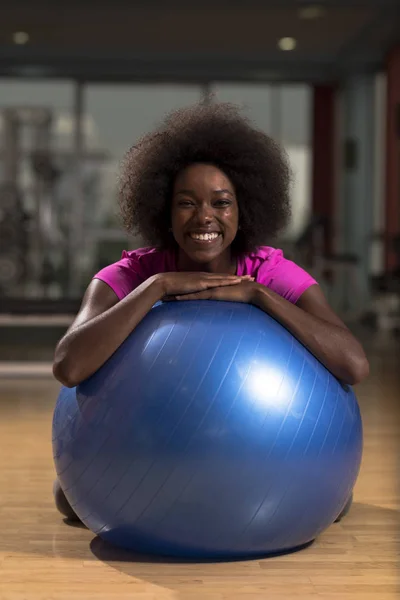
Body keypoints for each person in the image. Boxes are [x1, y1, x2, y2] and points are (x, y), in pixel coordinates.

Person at [52, 101, 369, 522]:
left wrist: (259, 296)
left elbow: (354, 364)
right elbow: (69, 367)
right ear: (165, 210)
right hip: (147, 447)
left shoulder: (270, 272)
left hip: (258, 452)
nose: (205, 217)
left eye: (221, 203)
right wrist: (157, 287)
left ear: (243, 210)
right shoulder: (131, 274)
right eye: (187, 203)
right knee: (69, 502)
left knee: (331, 499)